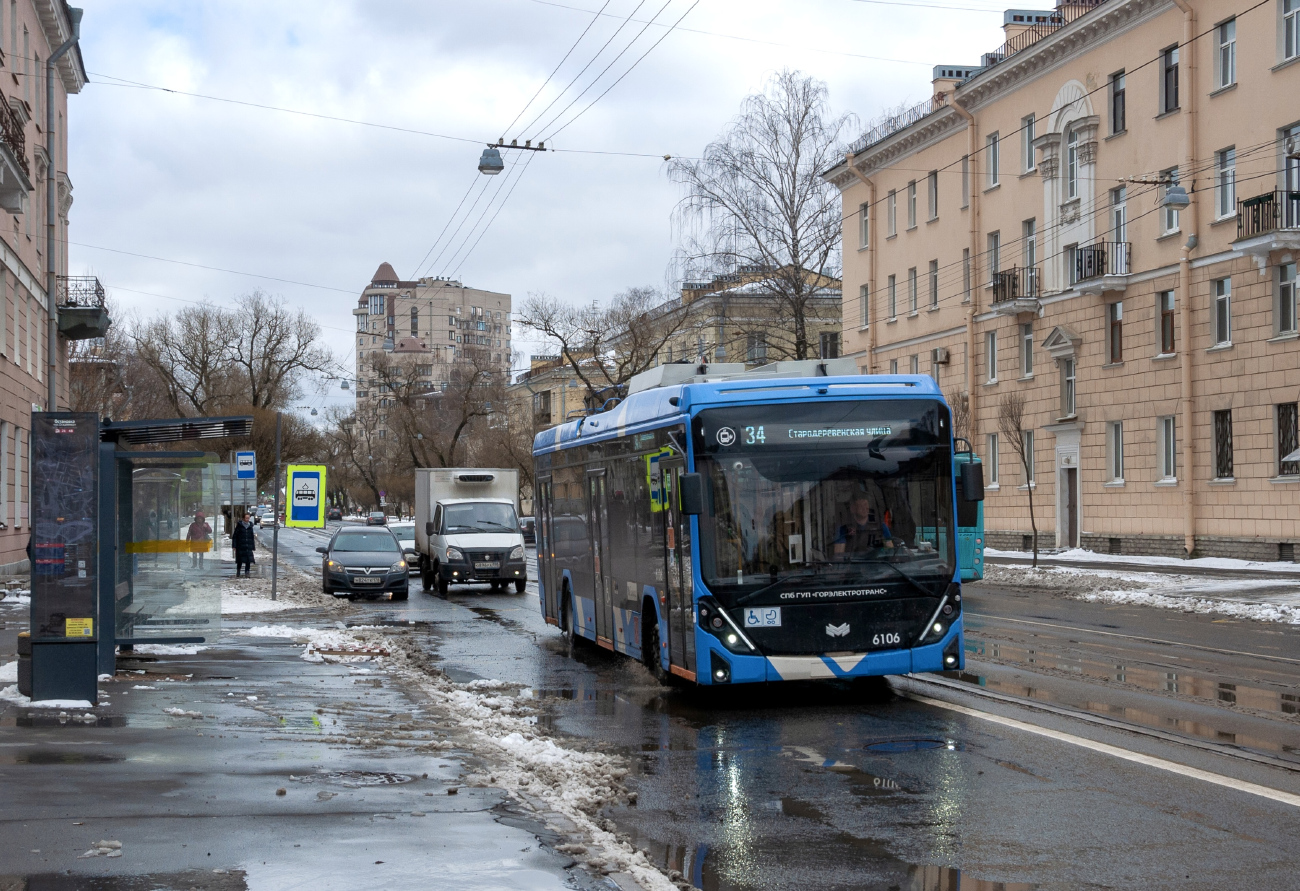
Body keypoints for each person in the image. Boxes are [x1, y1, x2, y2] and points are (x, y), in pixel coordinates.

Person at [833, 493, 893, 558]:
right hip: (852, 565)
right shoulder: (844, 529)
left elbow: (890, 550)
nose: (865, 508)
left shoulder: (880, 526)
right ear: (853, 508)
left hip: (876, 565)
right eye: (861, 505)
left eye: (866, 505)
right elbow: (839, 556)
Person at [231, 511, 256, 577]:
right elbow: (235, 536)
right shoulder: (239, 526)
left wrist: (253, 546)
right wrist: (234, 545)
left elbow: (251, 537)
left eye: (248, 518)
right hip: (240, 546)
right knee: (240, 560)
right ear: (243, 518)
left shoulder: (250, 526)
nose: (247, 519)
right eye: (246, 518)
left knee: (248, 560)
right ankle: (238, 571)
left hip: (248, 546)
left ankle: (247, 572)